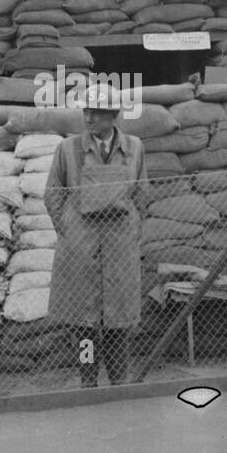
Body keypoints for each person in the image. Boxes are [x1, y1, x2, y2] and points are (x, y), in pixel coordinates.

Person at [45, 82, 148, 387]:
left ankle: (119, 383)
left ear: (113, 116)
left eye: (97, 113)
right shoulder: (67, 149)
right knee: (84, 325)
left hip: (119, 245)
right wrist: (69, 230)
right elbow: (53, 194)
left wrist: (132, 228)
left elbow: (142, 191)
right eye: (86, 111)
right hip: (81, 245)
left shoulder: (135, 148)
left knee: (119, 323)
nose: (89, 118)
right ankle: (88, 383)